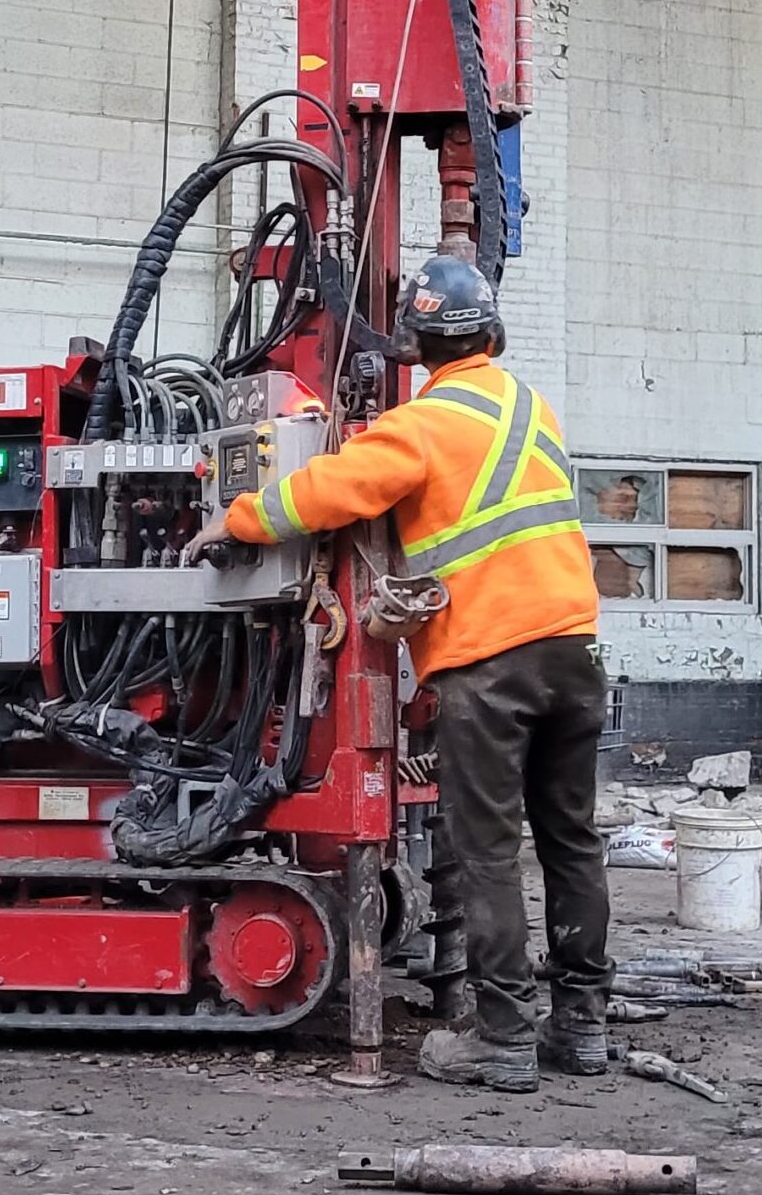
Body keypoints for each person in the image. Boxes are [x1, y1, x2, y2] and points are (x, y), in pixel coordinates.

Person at [181, 253, 609, 1092]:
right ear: (491, 335)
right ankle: (583, 1027)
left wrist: (237, 518)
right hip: (573, 651)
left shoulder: (422, 424)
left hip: (490, 663)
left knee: (488, 853)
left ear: (415, 346)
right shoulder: (534, 408)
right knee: (572, 842)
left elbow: (329, 490)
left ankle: (503, 1038)